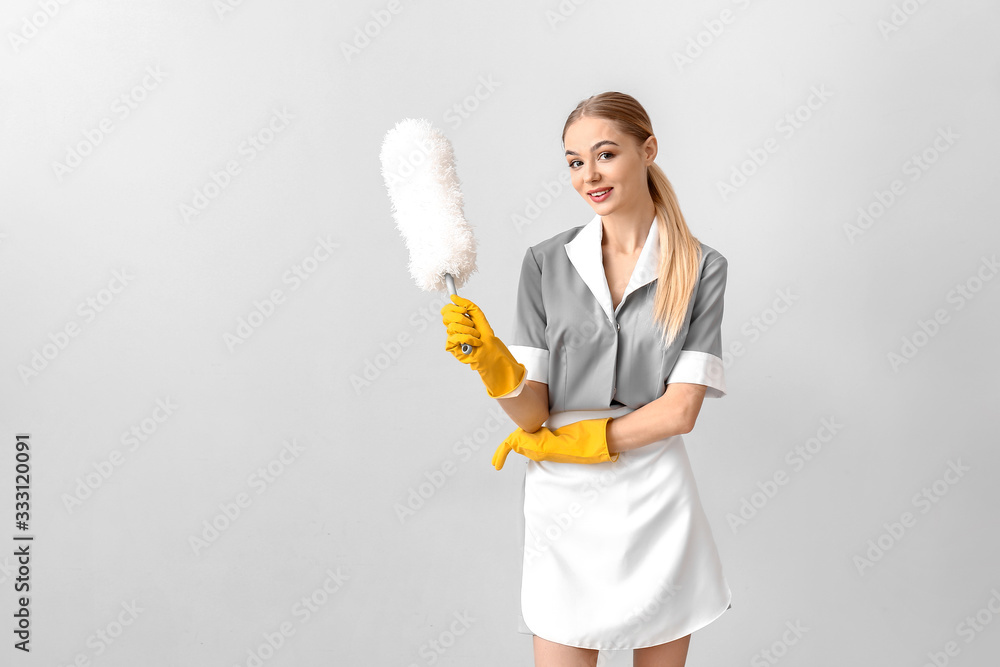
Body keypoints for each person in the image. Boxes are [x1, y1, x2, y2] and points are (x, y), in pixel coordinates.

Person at [440, 91, 732, 667]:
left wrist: (588, 441)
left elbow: (680, 411)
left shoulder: (701, 267)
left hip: (655, 495)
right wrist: (493, 365)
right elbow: (531, 413)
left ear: (647, 150)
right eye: (575, 161)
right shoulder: (545, 263)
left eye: (605, 155)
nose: (588, 175)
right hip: (564, 501)